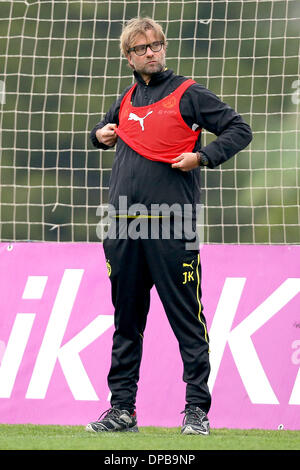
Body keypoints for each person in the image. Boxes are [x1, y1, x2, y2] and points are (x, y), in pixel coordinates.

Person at [86, 17, 252, 435]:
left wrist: (204, 157)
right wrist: (99, 134)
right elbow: (106, 132)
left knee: (187, 321)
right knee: (126, 322)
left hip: (173, 225)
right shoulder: (126, 98)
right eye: (142, 48)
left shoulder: (188, 93)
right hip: (122, 225)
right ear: (128, 56)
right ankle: (122, 410)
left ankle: (197, 411)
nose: (152, 52)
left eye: (157, 44)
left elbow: (239, 129)